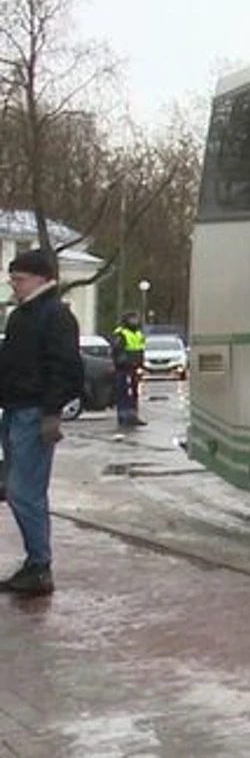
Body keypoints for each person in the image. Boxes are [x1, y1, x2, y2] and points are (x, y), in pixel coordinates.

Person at [0, 247, 83, 595]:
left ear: (41, 278)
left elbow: (65, 367)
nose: (13, 285)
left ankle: (39, 566)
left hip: (32, 411)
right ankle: (36, 563)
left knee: (24, 492)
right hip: (18, 409)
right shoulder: (25, 315)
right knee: (24, 490)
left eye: (19, 279)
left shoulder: (52, 315)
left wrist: (52, 412)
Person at [109, 311, 147, 428]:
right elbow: (117, 350)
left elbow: (141, 349)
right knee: (123, 393)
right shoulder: (121, 333)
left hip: (135, 368)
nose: (135, 321)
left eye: (136, 319)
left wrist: (141, 363)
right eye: (132, 319)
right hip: (123, 369)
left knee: (134, 393)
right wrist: (124, 362)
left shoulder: (139, 334)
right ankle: (123, 417)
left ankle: (133, 416)